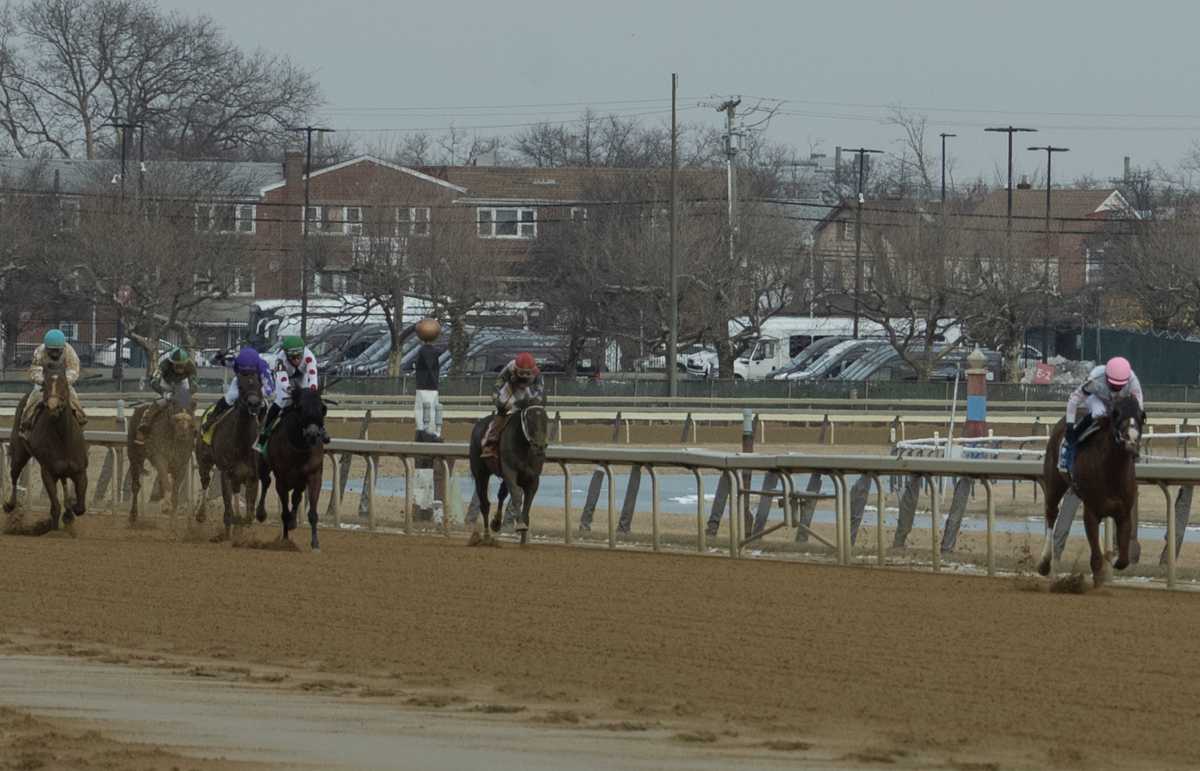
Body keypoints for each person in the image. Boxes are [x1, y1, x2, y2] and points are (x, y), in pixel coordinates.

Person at [1058, 356, 1144, 474]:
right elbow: (1074, 399)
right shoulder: (1095, 380)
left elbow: (1138, 408)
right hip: (1095, 397)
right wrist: (1069, 425)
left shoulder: (1133, 382)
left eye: (1120, 386)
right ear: (1107, 378)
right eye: (1113, 385)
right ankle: (1070, 445)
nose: (1116, 389)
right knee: (1100, 412)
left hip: (1119, 402)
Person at [257, 335, 329, 452]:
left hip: (304, 379)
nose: (296, 359)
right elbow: (283, 380)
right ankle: (265, 433)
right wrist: (292, 391)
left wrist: (309, 394)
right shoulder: (280, 360)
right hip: (286, 382)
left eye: (298, 356)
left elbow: (312, 377)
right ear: (285, 354)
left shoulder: (309, 357)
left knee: (313, 403)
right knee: (279, 404)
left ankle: (321, 428)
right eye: (292, 356)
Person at [19, 329, 86, 440]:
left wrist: (63, 381)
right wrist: (42, 380)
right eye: (51, 350)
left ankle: (80, 419)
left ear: (62, 347)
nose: (54, 353)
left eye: (57, 350)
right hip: (44, 383)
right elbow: (35, 368)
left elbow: (74, 369)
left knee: (73, 396)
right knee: (34, 396)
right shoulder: (40, 351)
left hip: (62, 383)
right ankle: (26, 421)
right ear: (46, 347)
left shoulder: (69, 352)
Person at [481, 352, 544, 460]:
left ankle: (540, 439)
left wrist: (535, 401)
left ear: (532, 371)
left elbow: (540, 390)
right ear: (516, 369)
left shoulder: (537, 373)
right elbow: (498, 383)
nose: (524, 376)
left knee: (535, 413)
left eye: (527, 373)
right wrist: (498, 400)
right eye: (521, 373)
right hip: (510, 389)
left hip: (526, 391)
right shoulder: (510, 368)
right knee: (503, 411)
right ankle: (492, 441)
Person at [201, 346, 273, 435]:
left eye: (248, 371)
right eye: (243, 371)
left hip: (257, 384)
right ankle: (212, 418)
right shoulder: (236, 361)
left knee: (263, 404)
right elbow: (213, 362)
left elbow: (270, 388)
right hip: (240, 382)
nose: (246, 373)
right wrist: (218, 356)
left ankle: (262, 427)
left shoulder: (263, 367)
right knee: (230, 397)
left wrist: (258, 394)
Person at [134, 347, 198, 445]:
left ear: (186, 363)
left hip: (182, 383)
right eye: (177, 365)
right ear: (171, 363)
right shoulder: (164, 365)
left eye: (182, 365)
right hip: (166, 383)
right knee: (160, 403)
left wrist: (186, 394)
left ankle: (194, 429)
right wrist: (164, 393)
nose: (180, 368)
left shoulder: (191, 366)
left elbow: (194, 384)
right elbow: (154, 381)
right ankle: (144, 426)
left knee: (190, 404)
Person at [414, 337, 441, 436]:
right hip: (433, 386)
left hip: (422, 386)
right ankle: (434, 432)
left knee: (420, 410)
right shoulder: (436, 352)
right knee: (433, 409)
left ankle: (422, 431)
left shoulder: (421, 351)